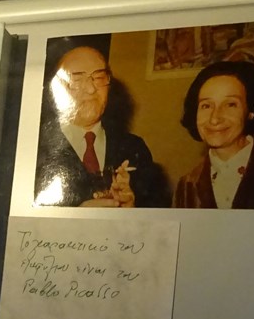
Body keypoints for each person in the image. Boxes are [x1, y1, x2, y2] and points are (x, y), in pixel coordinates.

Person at [34, 45, 168, 208]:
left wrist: (131, 209)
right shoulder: (33, 148)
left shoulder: (134, 148)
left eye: (99, 77)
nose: (91, 89)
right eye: (76, 79)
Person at [172, 60, 254, 210]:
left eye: (230, 104)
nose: (215, 118)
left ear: (250, 111)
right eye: (206, 105)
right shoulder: (186, 186)